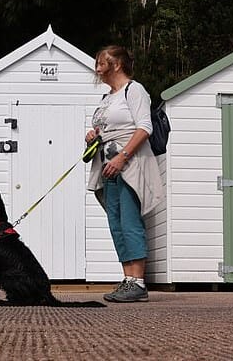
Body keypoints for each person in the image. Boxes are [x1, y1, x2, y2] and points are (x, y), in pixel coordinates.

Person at [85, 45, 163, 302]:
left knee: (130, 220)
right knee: (116, 222)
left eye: (101, 62)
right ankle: (128, 279)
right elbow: (105, 128)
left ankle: (139, 282)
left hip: (129, 162)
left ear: (116, 64)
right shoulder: (107, 97)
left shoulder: (134, 90)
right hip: (108, 164)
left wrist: (123, 156)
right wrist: (93, 137)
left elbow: (144, 127)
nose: (97, 68)